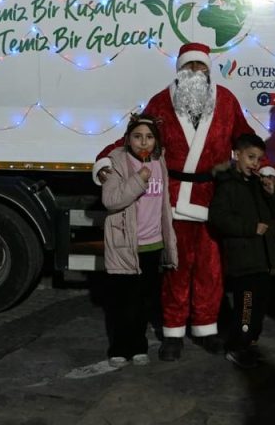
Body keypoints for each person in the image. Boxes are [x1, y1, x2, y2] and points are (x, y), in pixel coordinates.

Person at [93, 43, 275, 361]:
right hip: (174, 198)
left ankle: (205, 328)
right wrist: (105, 162)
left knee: (211, 269)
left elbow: (245, 140)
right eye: (189, 67)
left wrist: (264, 170)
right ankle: (173, 332)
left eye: (201, 67)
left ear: (209, 70)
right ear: (180, 71)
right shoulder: (162, 102)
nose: (195, 72)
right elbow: (136, 136)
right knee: (175, 269)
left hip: (213, 199)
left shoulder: (227, 102)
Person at [100, 114, 178, 368]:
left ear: (156, 140)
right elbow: (111, 200)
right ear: (128, 138)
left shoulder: (159, 161)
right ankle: (119, 348)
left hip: (152, 245)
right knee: (123, 302)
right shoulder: (117, 162)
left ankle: (138, 346)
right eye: (137, 136)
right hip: (126, 245)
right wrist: (138, 180)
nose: (143, 142)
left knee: (144, 301)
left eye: (149, 137)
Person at [209, 133, 275, 369]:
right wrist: (250, 228)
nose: (255, 163)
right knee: (247, 305)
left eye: (259, 159)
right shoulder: (227, 186)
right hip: (243, 259)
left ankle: (250, 340)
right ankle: (237, 346)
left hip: (262, 258)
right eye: (251, 157)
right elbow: (219, 219)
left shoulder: (258, 183)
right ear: (237, 155)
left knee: (260, 304)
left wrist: (272, 192)